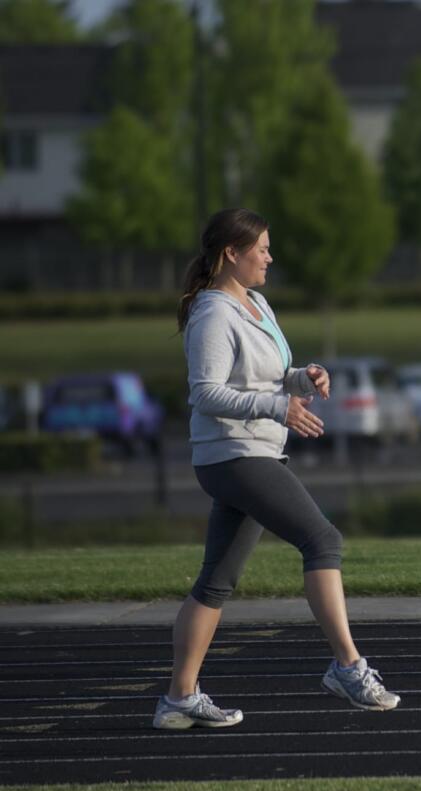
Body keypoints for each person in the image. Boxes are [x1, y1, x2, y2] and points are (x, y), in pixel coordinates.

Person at [154, 209, 398, 730]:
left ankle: (178, 697)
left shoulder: (256, 303)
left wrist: (303, 379)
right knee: (323, 541)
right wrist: (275, 407)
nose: (270, 256)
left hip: (253, 452)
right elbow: (205, 393)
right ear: (231, 254)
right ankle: (347, 667)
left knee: (216, 582)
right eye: (261, 248)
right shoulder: (213, 314)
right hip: (233, 455)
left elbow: (266, 376)